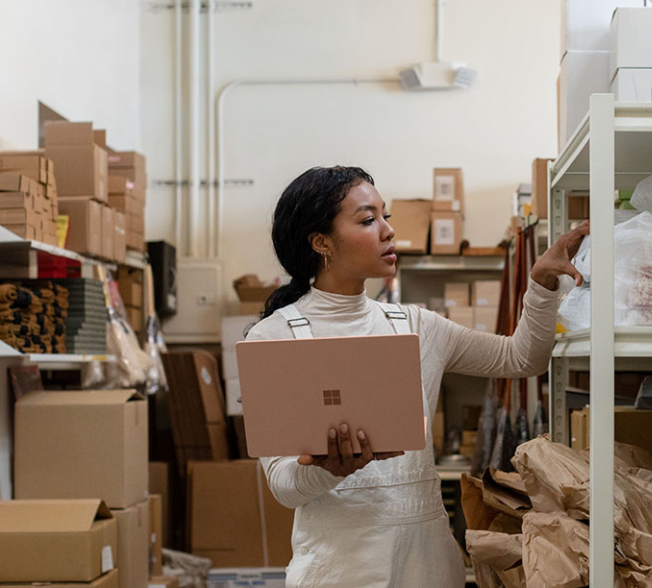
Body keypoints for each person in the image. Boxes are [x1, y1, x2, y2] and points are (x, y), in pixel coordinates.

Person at [245, 165, 588, 588]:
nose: (389, 231)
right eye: (369, 220)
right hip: (340, 573)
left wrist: (541, 282)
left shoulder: (416, 325)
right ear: (321, 243)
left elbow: (521, 359)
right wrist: (330, 470)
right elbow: (283, 485)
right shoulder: (274, 337)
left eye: (385, 216)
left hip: (428, 565)